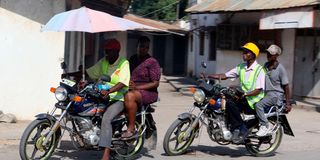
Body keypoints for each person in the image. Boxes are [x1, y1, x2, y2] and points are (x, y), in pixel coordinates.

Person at [63, 39, 130, 160]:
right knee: (82, 107)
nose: (107, 54)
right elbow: (90, 72)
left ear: (117, 51)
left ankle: (106, 154)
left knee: (106, 119)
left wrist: (109, 91)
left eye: (109, 51)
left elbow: (122, 83)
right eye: (106, 51)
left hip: (117, 98)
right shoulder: (104, 62)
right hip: (101, 96)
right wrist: (70, 74)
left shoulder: (124, 63)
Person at [206, 42, 265, 143]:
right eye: (243, 52)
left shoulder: (259, 70)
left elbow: (258, 90)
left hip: (254, 100)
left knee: (229, 103)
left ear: (253, 55)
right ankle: (229, 126)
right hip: (244, 97)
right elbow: (225, 75)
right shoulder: (241, 67)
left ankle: (241, 128)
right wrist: (209, 75)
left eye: (246, 52)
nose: (244, 54)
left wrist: (244, 94)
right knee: (223, 99)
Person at [121, 36, 161, 139]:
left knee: (129, 96)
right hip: (132, 89)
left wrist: (137, 87)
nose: (143, 49)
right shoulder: (132, 59)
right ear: (137, 46)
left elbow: (155, 83)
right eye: (141, 46)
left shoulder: (152, 62)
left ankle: (131, 129)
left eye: (146, 47)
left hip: (148, 92)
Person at [255, 44, 292, 137]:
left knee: (258, 105)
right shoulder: (266, 65)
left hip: (275, 95)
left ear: (276, 56)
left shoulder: (280, 69)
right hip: (266, 94)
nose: (268, 55)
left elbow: (286, 87)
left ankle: (265, 125)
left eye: (271, 54)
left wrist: (288, 103)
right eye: (267, 53)